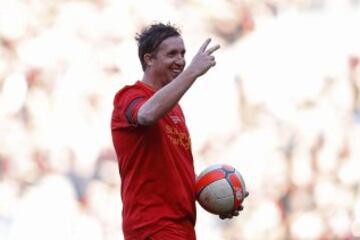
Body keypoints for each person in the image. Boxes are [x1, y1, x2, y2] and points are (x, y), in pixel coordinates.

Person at [111, 22, 247, 240]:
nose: (181, 61)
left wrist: (220, 193)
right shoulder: (129, 96)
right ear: (149, 59)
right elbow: (146, 115)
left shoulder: (175, 108)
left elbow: (172, 171)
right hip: (153, 225)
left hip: (181, 226)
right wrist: (192, 72)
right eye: (172, 54)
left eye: (183, 54)